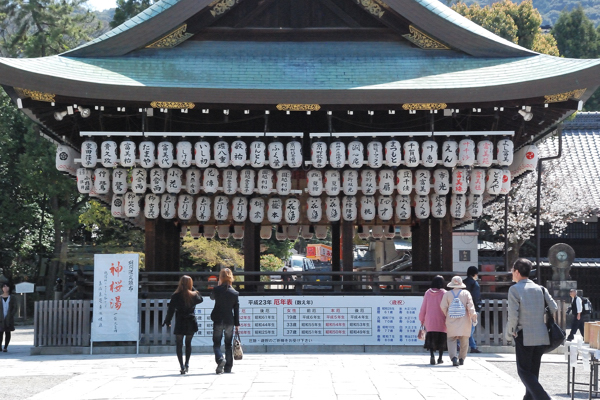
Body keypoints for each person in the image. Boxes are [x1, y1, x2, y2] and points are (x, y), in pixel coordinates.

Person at [506, 258, 557, 400]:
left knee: (523, 371)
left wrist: (510, 333)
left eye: (512, 270)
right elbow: (554, 307)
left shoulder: (514, 289)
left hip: (524, 334)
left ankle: (544, 398)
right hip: (541, 335)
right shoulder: (541, 288)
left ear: (516, 271)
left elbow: (513, 316)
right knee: (533, 372)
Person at [162, 275, 203, 374]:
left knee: (179, 344)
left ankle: (182, 365)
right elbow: (201, 299)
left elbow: (170, 310)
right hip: (191, 321)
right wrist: (191, 287)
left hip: (180, 320)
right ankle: (187, 363)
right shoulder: (194, 295)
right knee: (188, 343)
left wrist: (167, 321)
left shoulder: (176, 295)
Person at [440, 276, 477, 367]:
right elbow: (471, 307)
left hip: (451, 320)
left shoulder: (447, 294)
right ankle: (461, 358)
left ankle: (454, 358)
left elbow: (443, 306)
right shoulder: (466, 293)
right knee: (464, 340)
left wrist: (447, 314)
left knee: (451, 339)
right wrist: (474, 318)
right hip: (464, 320)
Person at [210, 268, 240, 374]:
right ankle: (228, 367)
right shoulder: (235, 293)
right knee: (228, 345)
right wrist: (237, 324)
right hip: (229, 320)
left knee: (216, 343)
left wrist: (218, 285)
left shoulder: (217, 290)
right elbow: (236, 309)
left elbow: (211, 298)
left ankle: (220, 359)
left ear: (221, 278)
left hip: (218, 319)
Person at [419, 275, 447, 365]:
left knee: (431, 339)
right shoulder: (444, 293)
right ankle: (440, 358)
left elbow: (423, 307)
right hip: (442, 319)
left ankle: (432, 356)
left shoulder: (427, 292)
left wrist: (422, 319)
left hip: (430, 320)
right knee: (441, 338)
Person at [464, 266, 482, 353]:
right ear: (475, 274)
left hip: (462, 308)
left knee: (464, 327)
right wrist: (478, 307)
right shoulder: (474, 284)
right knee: (470, 329)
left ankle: (473, 346)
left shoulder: (463, 283)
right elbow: (476, 297)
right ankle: (462, 344)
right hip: (472, 308)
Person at [0, 282, 17, 352]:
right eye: (4, 286)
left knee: (7, 332)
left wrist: (11, 315)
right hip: (0, 318)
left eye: (7, 286)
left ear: (9, 288)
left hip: (9, 318)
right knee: (0, 333)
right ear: (2, 288)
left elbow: (15, 307)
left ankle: (5, 347)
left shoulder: (12, 297)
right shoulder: (0, 297)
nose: (5, 288)